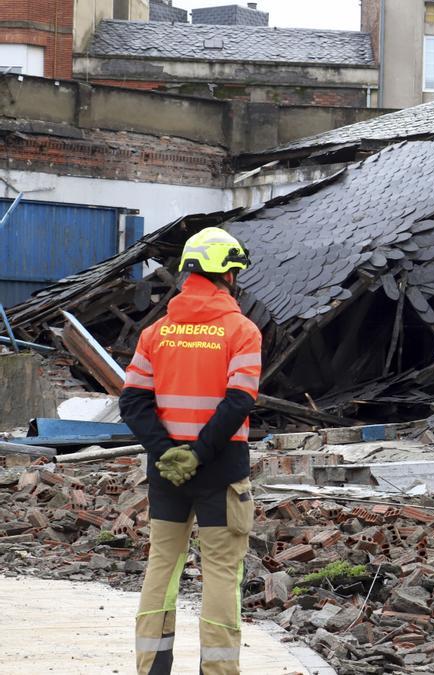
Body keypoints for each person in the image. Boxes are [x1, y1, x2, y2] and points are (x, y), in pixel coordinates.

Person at [119, 227, 262, 675]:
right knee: (221, 573)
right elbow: (239, 401)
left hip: (167, 474)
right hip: (221, 472)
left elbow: (132, 401)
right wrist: (198, 454)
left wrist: (166, 451)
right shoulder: (242, 331)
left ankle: (151, 667)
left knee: (162, 566)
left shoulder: (156, 333)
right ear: (228, 275)